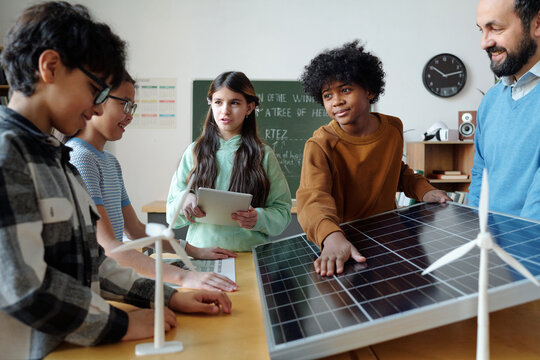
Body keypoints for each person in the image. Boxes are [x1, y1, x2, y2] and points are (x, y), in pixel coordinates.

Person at [0, 3, 230, 359]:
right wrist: (121, 324)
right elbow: (23, 287)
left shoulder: (60, 162)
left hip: (77, 345)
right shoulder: (7, 156)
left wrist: (169, 296)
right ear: (50, 67)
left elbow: (96, 264)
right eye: (95, 89)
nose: (96, 108)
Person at [65, 71, 238, 292]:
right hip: (94, 289)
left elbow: (135, 230)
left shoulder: (109, 161)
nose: (130, 115)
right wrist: (185, 277)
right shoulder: (80, 157)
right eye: (125, 105)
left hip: (108, 280)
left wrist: (192, 250)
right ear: (97, 99)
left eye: (132, 107)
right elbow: (110, 247)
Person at [297, 41, 451, 276]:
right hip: (344, 241)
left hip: (391, 235)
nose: (336, 100)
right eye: (328, 95)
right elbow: (312, 199)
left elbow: (396, 170)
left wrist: (423, 189)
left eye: (345, 90)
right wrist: (331, 236)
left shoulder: (392, 128)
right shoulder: (320, 145)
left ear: (369, 90)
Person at [167, 71, 292, 251]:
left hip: (249, 255)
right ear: (211, 104)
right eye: (218, 102)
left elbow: (282, 212)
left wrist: (258, 217)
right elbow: (171, 213)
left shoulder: (263, 155)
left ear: (249, 108)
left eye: (234, 103)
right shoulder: (194, 152)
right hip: (201, 253)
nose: (225, 110)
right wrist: (184, 200)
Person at [470, 0, 540, 220]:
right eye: (481, 30)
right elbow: (480, 173)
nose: (484, 42)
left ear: (537, 24)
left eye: (496, 28)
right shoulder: (490, 101)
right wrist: (475, 231)